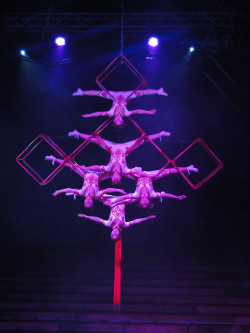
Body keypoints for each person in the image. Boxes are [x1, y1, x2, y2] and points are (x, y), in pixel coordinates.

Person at [68, 130, 171, 185]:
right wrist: (139, 139)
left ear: (112, 177)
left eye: (114, 180)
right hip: (125, 148)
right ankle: (160, 134)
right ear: (120, 178)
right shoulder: (125, 170)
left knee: (96, 141)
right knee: (142, 142)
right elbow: (138, 171)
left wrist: (86, 168)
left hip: (112, 147)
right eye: (118, 181)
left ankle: (77, 133)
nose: (116, 180)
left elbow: (96, 167)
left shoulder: (108, 169)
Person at [45, 155, 125, 208]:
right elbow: (107, 190)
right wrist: (118, 190)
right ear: (92, 202)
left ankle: (54, 158)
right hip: (97, 175)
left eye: (86, 203)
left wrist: (59, 191)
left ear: (84, 201)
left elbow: (70, 190)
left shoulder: (81, 193)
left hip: (85, 174)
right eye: (89, 203)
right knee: (114, 173)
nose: (88, 202)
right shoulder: (96, 195)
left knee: (70, 166)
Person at [108, 165, 199, 208]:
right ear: (148, 202)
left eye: (142, 204)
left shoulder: (136, 195)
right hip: (152, 175)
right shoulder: (152, 194)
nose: (144, 203)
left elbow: (123, 197)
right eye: (145, 204)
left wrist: (113, 202)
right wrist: (176, 197)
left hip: (138, 176)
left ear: (139, 203)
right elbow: (165, 195)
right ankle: (188, 168)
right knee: (169, 171)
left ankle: (102, 173)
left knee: (126, 171)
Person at [73, 87, 168, 127]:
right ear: (122, 120)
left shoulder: (110, 113)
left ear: (114, 120)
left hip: (113, 95)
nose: (118, 119)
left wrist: (89, 115)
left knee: (99, 93)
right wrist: (149, 112)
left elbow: (99, 113)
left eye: (117, 121)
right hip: (126, 95)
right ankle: (158, 91)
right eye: (120, 121)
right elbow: (138, 111)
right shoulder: (126, 113)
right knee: (140, 93)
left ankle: (81, 92)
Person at [78, 196, 156, 242]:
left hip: (112, 200)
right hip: (124, 201)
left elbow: (97, 219)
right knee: (140, 197)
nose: (114, 233)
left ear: (111, 233)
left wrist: (85, 216)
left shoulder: (108, 224)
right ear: (119, 234)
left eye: (112, 234)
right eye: (116, 235)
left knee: (96, 196)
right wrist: (147, 218)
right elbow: (136, 221)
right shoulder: (124, 225)